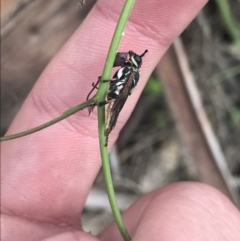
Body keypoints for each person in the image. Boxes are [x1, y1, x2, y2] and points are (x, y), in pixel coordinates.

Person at [2, 1, 240, 240]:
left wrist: (106, 94)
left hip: (113, 98)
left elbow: (120, 86)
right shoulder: (129, 69)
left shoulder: (131, 75)